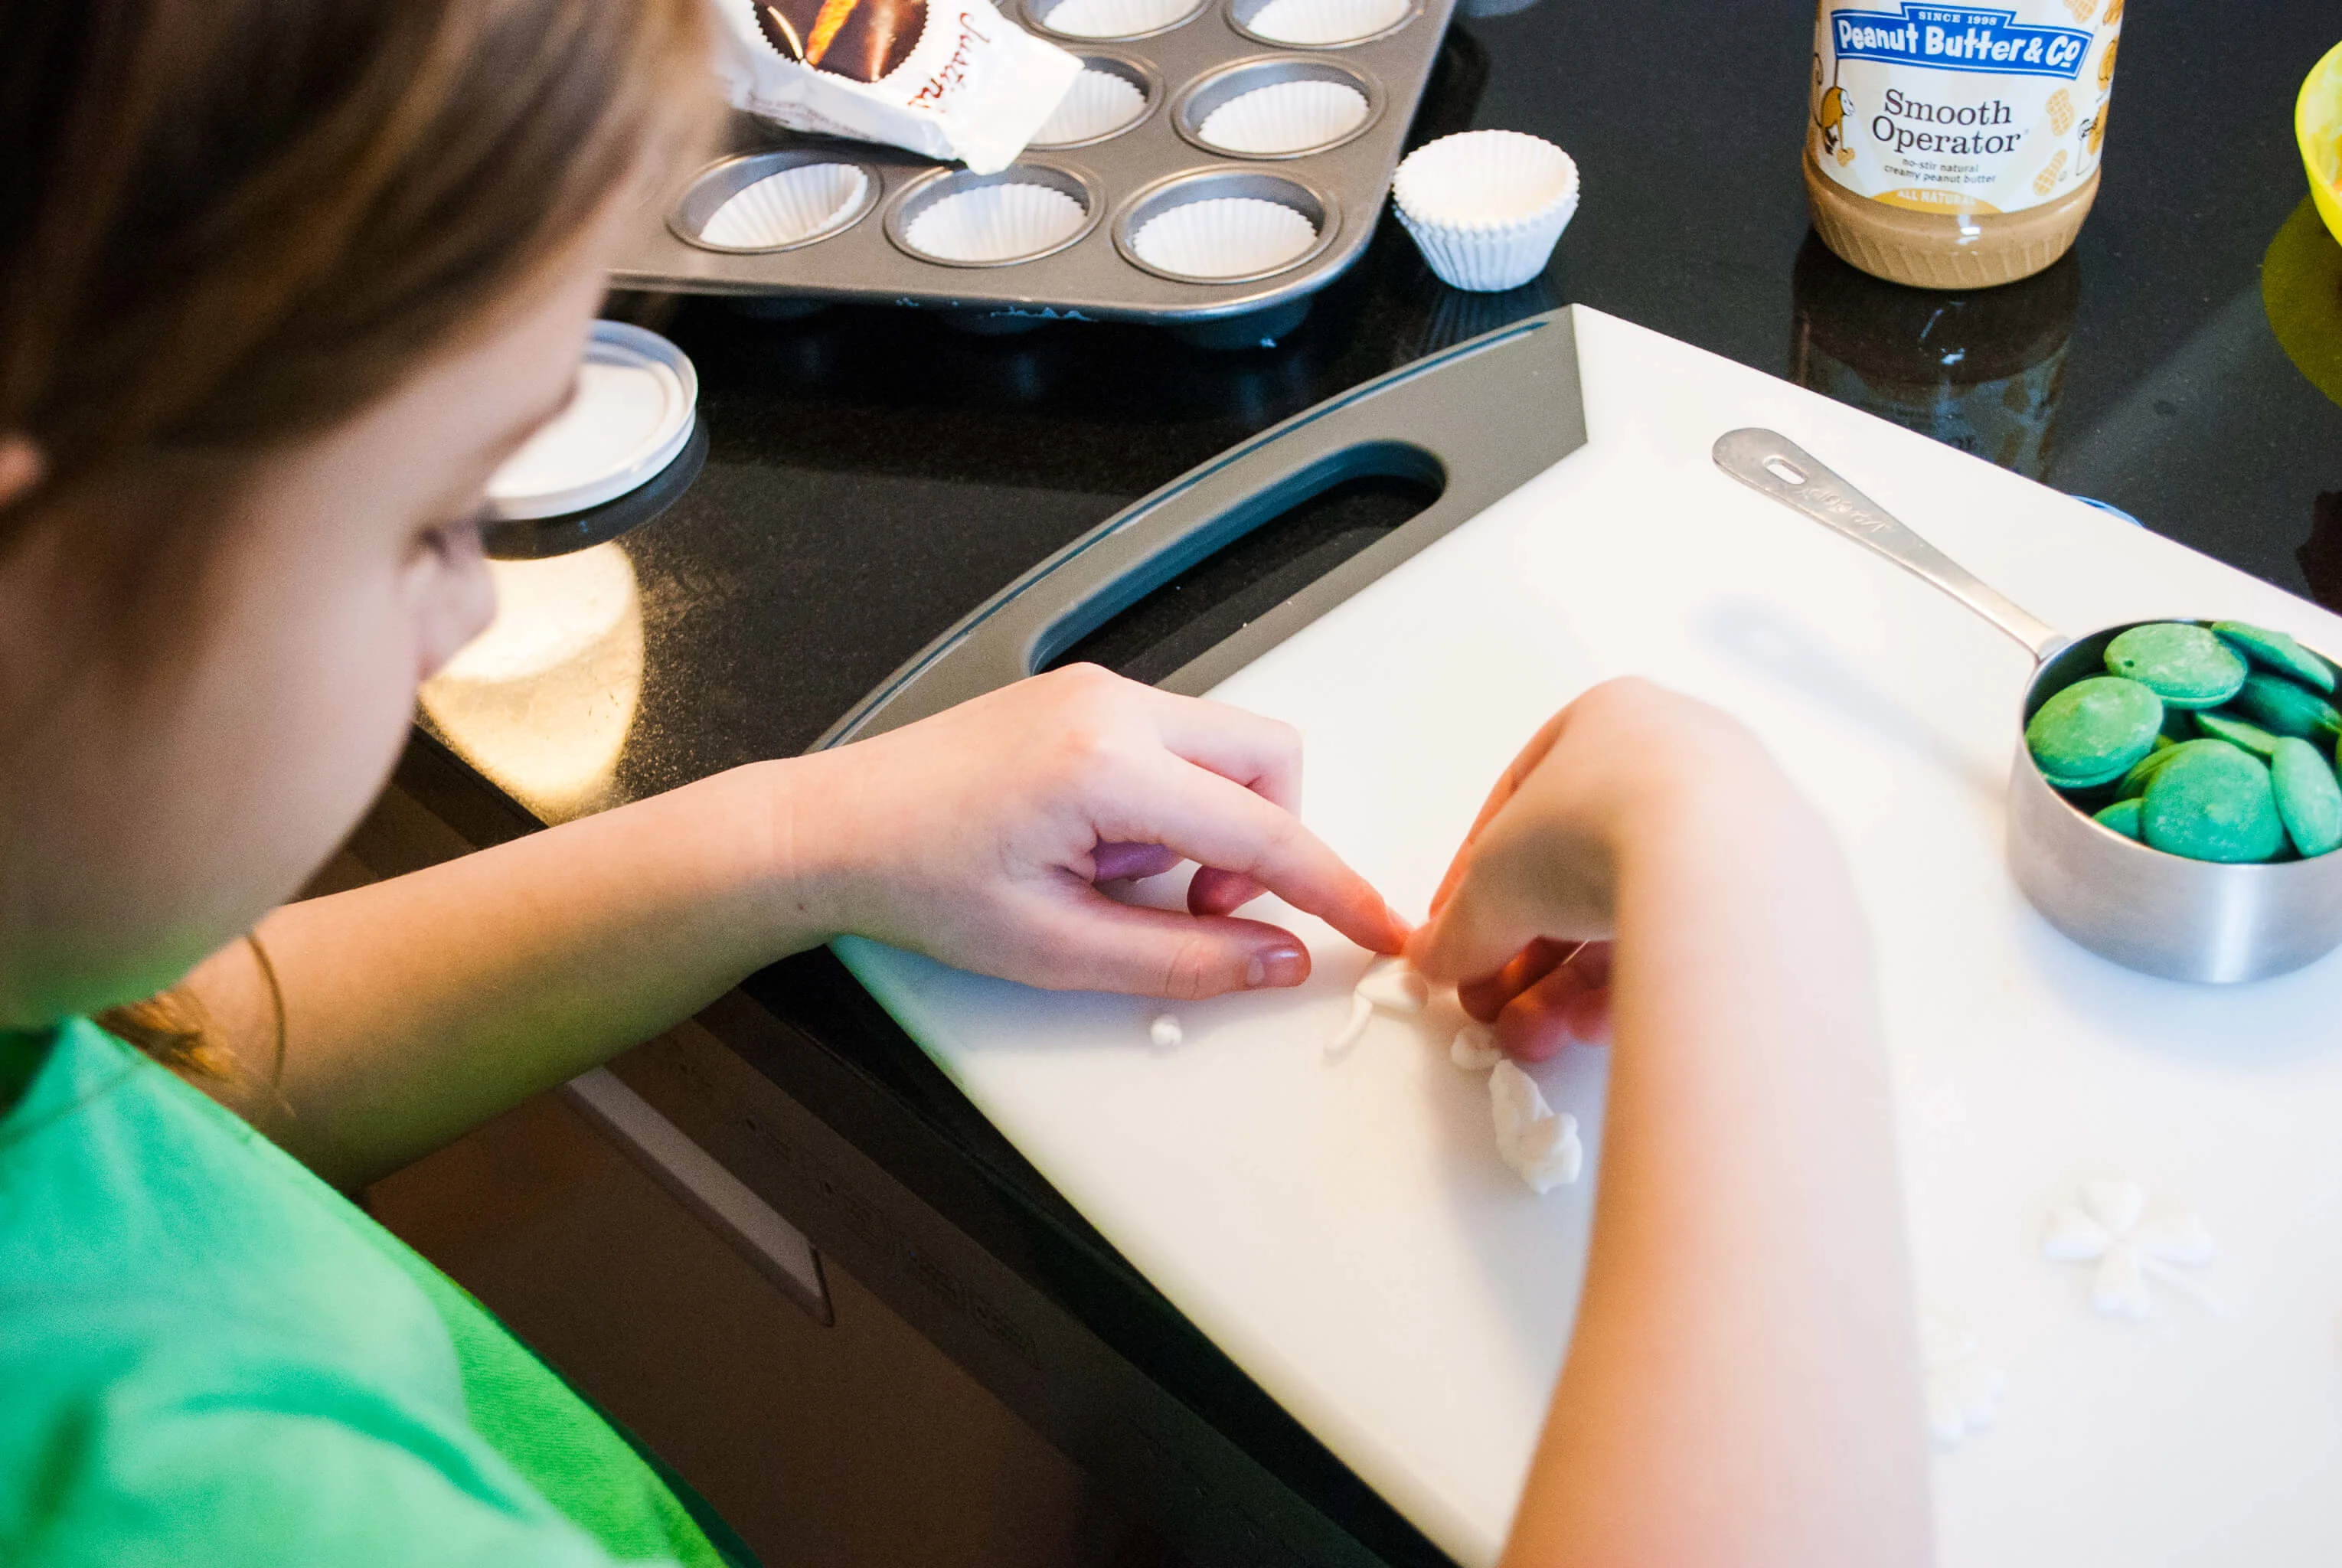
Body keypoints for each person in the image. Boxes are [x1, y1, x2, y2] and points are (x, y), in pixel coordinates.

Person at [0, 2, 1929, 1564]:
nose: (457, 616)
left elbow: (170, 1065)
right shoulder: (211, 1506)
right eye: (430, 522)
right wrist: (1744, 888)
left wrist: (799, 835)